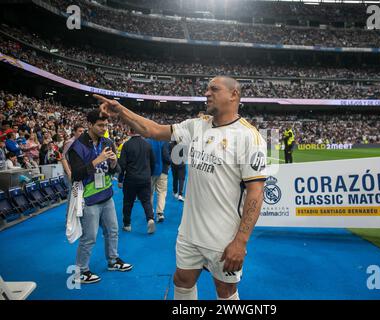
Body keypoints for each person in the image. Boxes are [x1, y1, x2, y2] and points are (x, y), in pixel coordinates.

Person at [94, 76, 267, 300]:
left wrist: (241, 242)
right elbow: (153, 130)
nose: (207, 93)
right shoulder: (197, 125)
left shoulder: (249, 137)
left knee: (225, 290)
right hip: (189, 232)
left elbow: (256, 192)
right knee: (182, 280)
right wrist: (121, 111)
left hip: (224, 236)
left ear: (234, 95)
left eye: (214, 89)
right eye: (206, 89)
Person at [68, 110, 132, 284]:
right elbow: (77, 174)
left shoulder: (108, 142)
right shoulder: (77, 146)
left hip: (106, 195)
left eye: (106, 125)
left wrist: (112, 162)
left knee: (113, 231)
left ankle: (113, 261)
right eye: (100, 125)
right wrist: (98, 159)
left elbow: (114, 170)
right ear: (90, 124)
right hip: (88, 200)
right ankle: (81, 271)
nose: (104, 128)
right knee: (89, 237)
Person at [118, 128, 156, 233]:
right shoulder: (148, 145)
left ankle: (127, 224)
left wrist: (120, 179)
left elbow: (122, 164)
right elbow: (153, 162)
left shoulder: (126, 145)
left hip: (131, 179)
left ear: (130, 132)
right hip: (145, 178)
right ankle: (150, 219)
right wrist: (149, 175)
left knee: (128, 202)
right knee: (146, 201)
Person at [147, 138, 170, 222]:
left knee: (150, 192)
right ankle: (160, 213)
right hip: (163, 170)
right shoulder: (164, 141)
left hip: (150, 171)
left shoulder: (147, 141)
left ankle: (150, 212)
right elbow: (166, 156)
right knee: (162, 191)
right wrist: (170, 162)